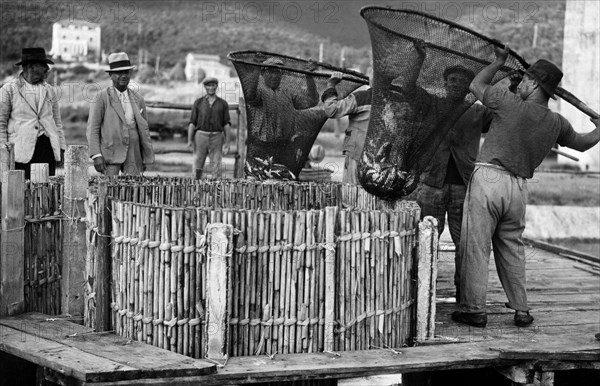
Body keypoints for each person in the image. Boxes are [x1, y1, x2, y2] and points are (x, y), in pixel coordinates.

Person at [452, 45, 600, 328]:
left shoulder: (508, 103)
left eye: (524, 81)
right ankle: (521, 309)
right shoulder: (557, 122)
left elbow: (476, 84)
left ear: (532, 83)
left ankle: (473, 309)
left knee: (476, 245)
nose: (519, 85)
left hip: (489, 179)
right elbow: (583, 143)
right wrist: (599, 129)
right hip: (519, 188)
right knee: (512, 248)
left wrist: (497, 62)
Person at [416, 65, 493, 302]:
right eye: (451, 79)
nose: (455, 84)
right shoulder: (432, 107)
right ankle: (422, 288)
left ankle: (464, 291)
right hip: (431, 184)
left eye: (461, 81)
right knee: (427, 237)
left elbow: (498, 112)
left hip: (463, 185)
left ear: (468, 87)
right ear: (444, 84)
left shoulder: (478, 112)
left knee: (464, 241)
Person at [244, 56, 319, 174]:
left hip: (284, 147)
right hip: (260, 146)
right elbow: (250, 96)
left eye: (278, 72)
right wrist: (256, 68)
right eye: (271, 72)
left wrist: (309, 75)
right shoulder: (259, 90)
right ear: (263, 73)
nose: (275, 76)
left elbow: (311, 101)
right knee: (258, 177)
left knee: (284, 180)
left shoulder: (287, 92)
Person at [0, 47, 66, 179]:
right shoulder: (9, 89)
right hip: (20, 152)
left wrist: (61, 148)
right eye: (43, 65)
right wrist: (3, 150)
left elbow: (57, 122)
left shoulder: (50, 90)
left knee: (46, 191)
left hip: (47, 149)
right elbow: (1, 123)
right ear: (30, 67)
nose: (47, 69)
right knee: (21, 191)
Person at [87, 52, 154, 176]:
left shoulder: (138, 99)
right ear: (111, 75)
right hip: (111, 152)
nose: (123, 76)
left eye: (126, 72)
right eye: (119, 73)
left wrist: (144, 156)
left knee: (133, 190)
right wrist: (96, 155)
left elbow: (144, 129)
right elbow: (93, 129)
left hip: (133, 154)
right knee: (109, 189)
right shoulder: (101, 97)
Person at [322, 70, 372, 184]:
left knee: (352, 192)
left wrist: (331, 85)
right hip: (382, 159)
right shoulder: (394, 100)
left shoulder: (361, 98)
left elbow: (331, 110)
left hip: (357, 156)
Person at [187, 77, 231, 179]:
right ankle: (195, 186)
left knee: (216, 165)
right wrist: (189, 140)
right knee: (198, 163)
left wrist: (227, 143)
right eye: (208, 85)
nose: (210, 88)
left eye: (213, 85)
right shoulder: (198, 103)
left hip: (217, 137)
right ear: (205, 87)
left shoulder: (223, 104)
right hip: (200, 136)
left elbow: (226, 124)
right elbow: (192, 123)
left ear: (216, 86)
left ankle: (216, 189)